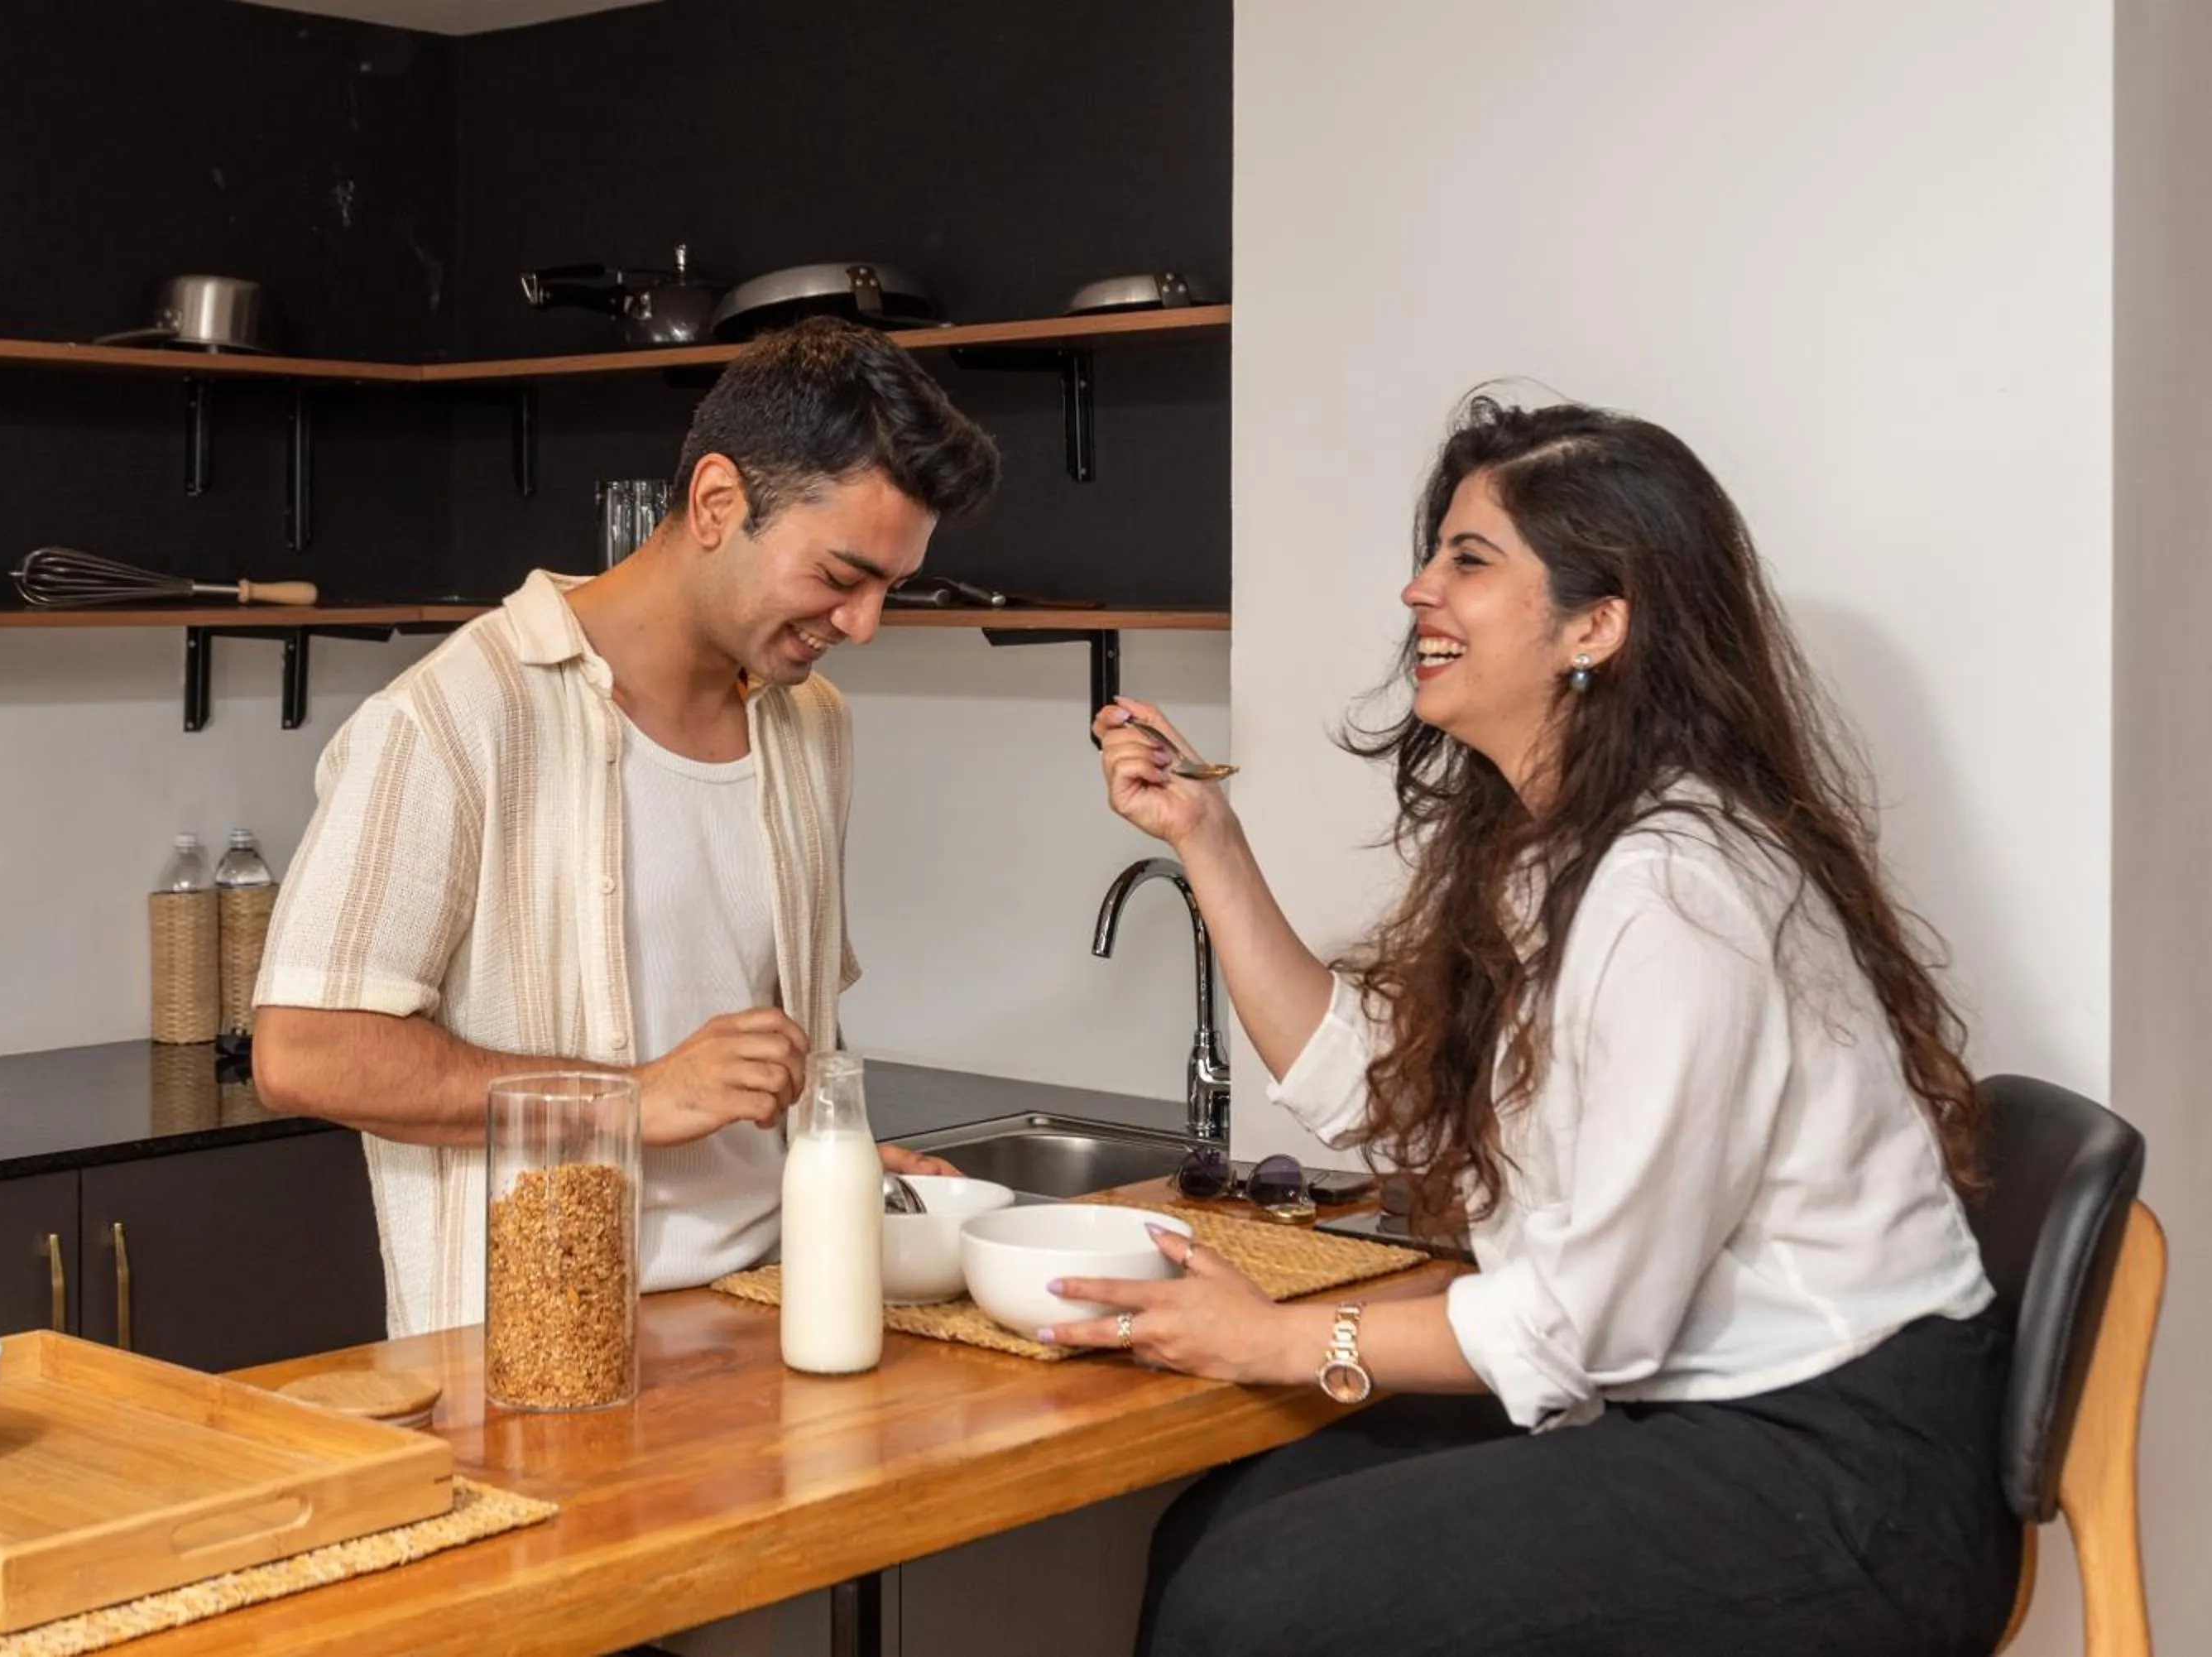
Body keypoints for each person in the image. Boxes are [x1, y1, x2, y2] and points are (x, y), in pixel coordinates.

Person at [1051, 398, 2018, 1655]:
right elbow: (1384, 1095)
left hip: (1844, 1477)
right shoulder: (1554, 855)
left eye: (1469, 559)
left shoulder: (1674, 892)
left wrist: (1282, 1337)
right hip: (1685, 1407)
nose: (1416, 591)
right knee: (1219, 1530)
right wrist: (1209, 839)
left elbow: (1587, 1325)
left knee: (1256, 1603)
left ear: (1597, 624)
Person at [252, 316, 999, 1342]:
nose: (863, 624)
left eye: (890, 589)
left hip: (777, 1319)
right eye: (839, 576)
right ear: (715, 502)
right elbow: (303, 1049)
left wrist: (837, 1157)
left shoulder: (813, 727)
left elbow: (778, 1037)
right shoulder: (454, 718)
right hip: (532, 1362)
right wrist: (630, 1098)